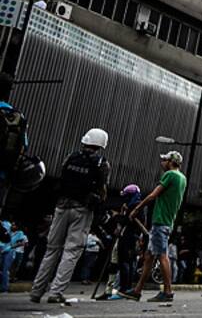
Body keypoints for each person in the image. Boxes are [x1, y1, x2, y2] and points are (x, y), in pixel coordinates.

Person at [30, 128, 110, 304]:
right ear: (101, 145)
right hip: (82, 209)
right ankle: (56, 292)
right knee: (72, 251)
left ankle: (36, 291)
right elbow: (102, 189)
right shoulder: (101, 163)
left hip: (61, 206)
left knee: (52, 249)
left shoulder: (71, 157)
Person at [124, 151, 186, 302]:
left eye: (164, 160)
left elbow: (153, 195)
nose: (162, 163)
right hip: (167, 221)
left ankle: (167, 291)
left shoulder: (170, 175)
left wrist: (136, 209)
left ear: (171, 162)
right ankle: (137, 290)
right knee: (149, 257)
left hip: (160, 221)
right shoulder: (182, 178)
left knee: (162, 255)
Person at [0, 220, 28, 292]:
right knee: (2, 270)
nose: (12, 226)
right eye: (12, 225)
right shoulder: (8, 230)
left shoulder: (20, 233)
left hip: (11, 251)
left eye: (14, 225)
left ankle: (4, 287)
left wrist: (11, 247)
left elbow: (22, 243)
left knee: (6, 269)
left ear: (17, 226)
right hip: (3, 250)